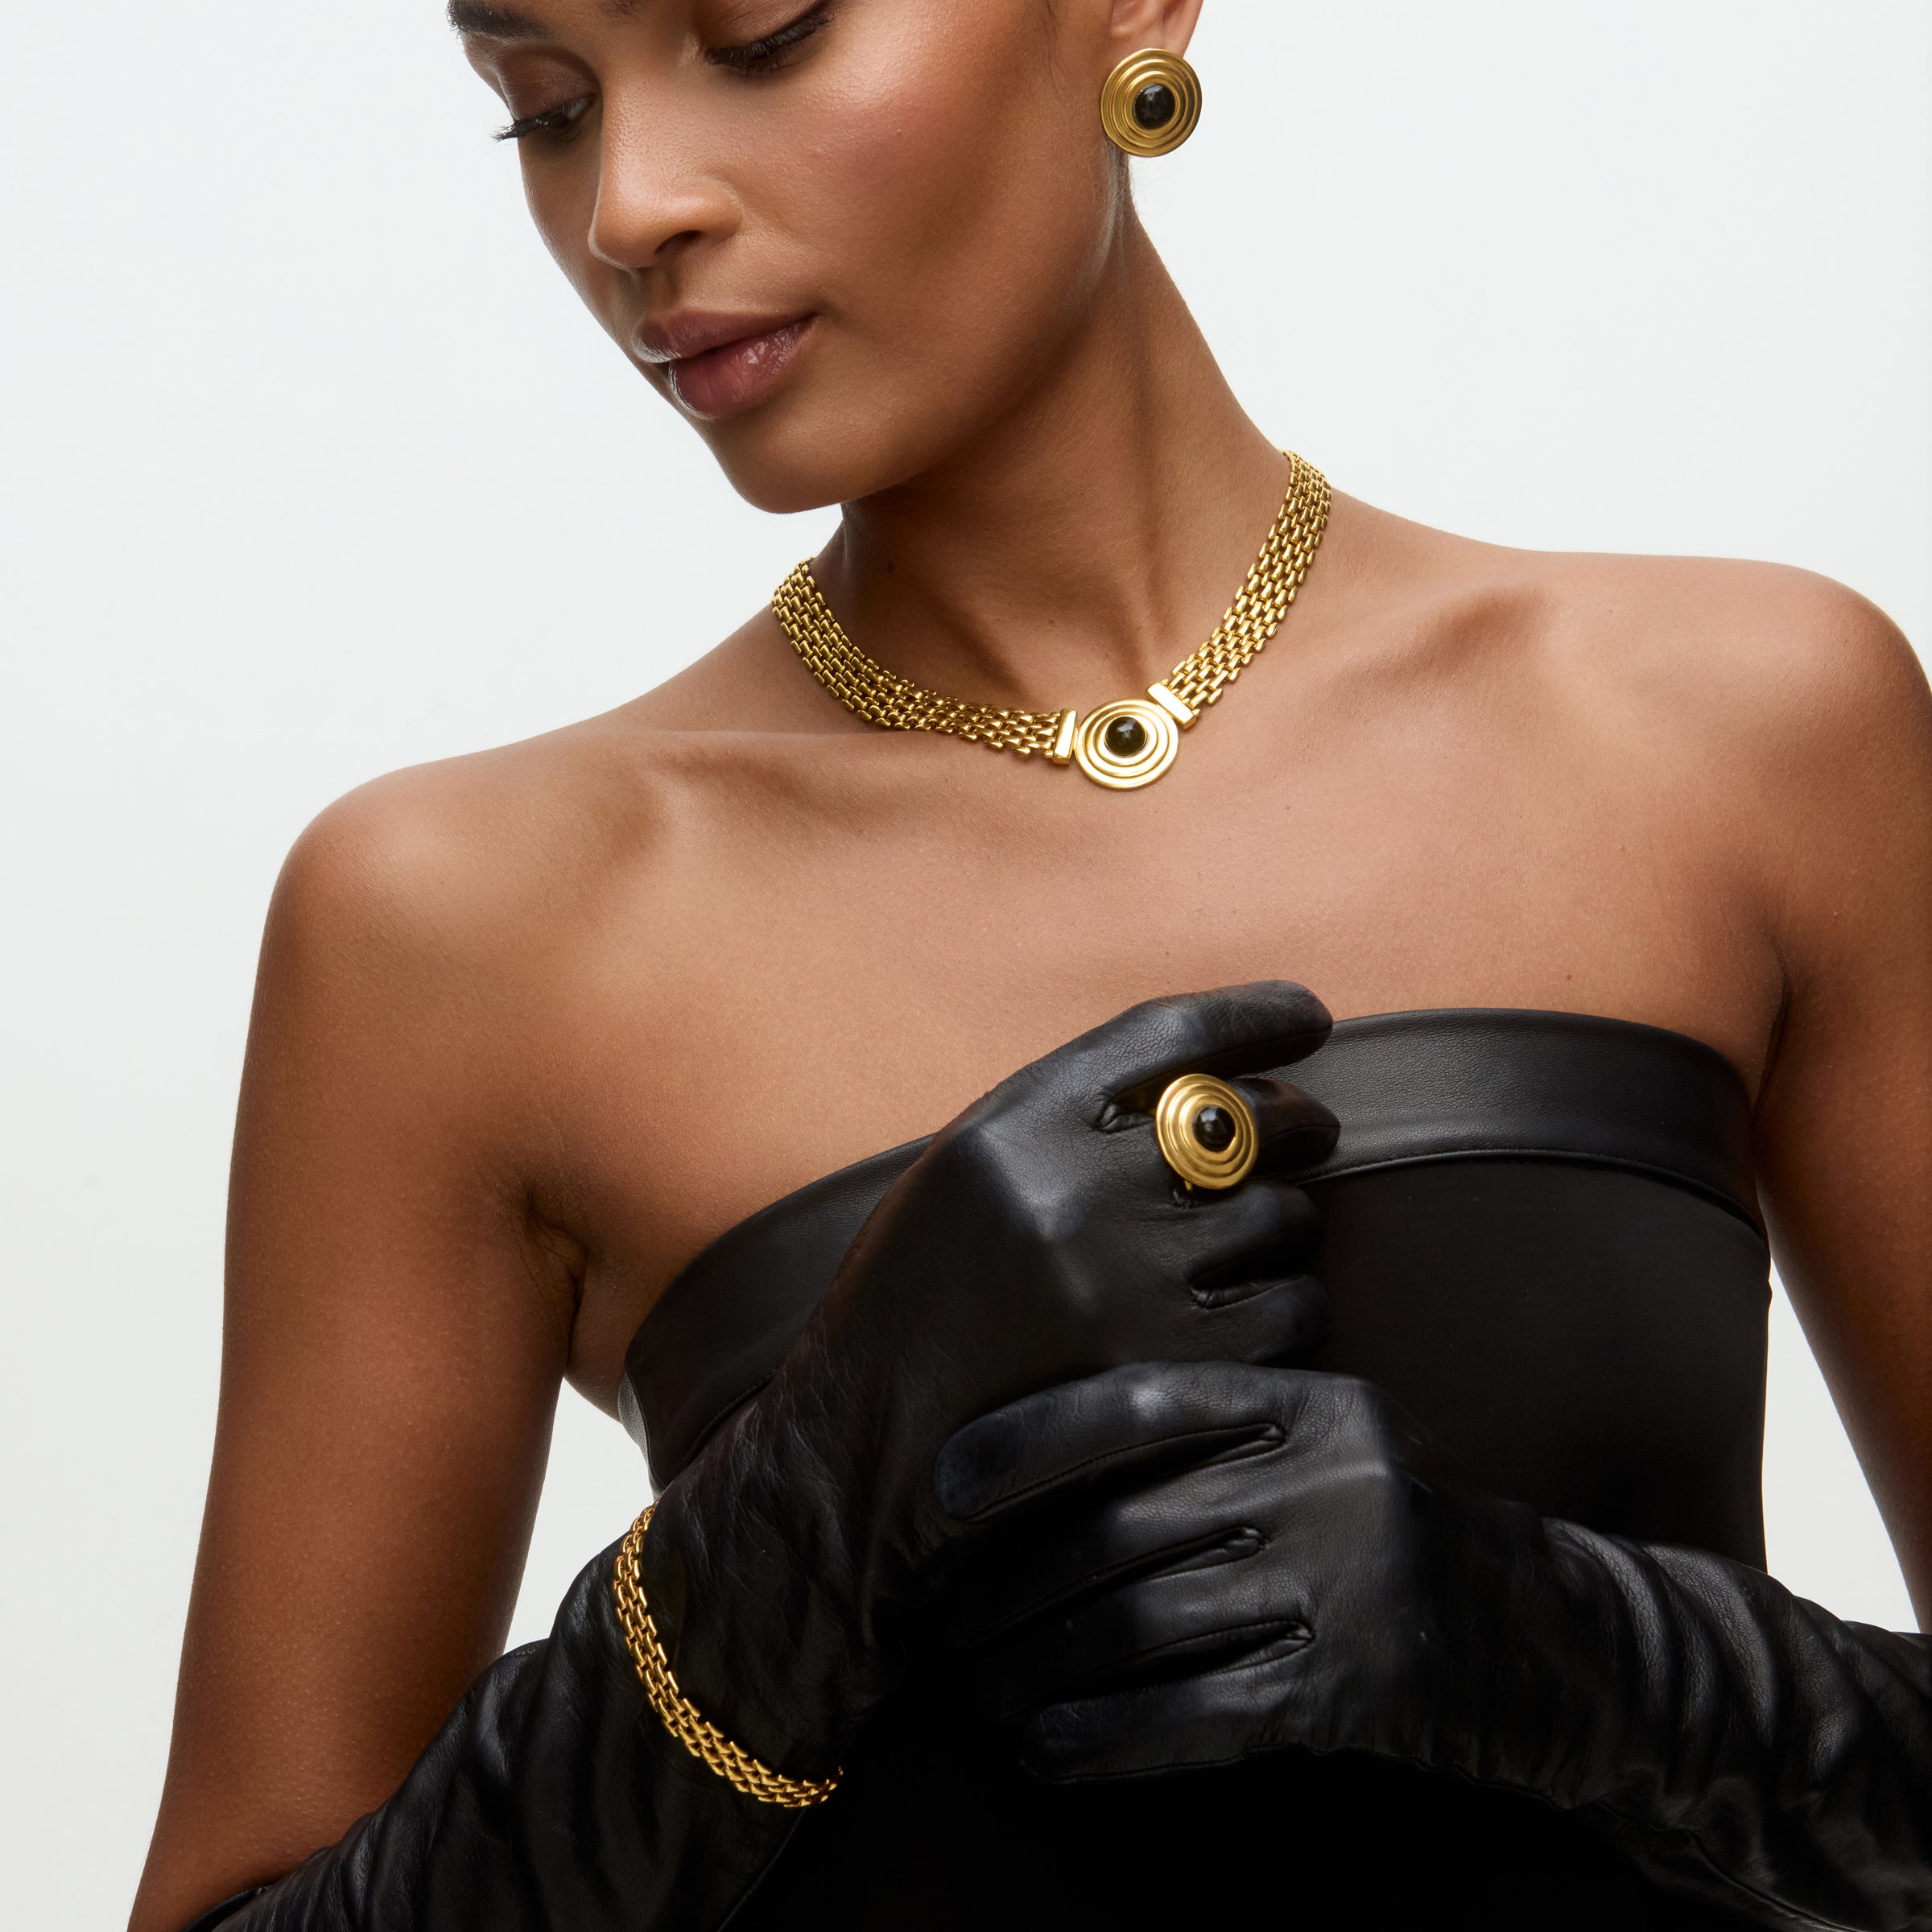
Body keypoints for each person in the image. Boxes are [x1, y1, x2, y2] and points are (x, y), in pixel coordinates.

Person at [131, 2, 1932, 1928]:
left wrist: (1566, 1652)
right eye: (544, 112)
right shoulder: (457, 925)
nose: (627, 209)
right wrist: (795, 1526)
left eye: (762, 31)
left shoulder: (1745, 733)